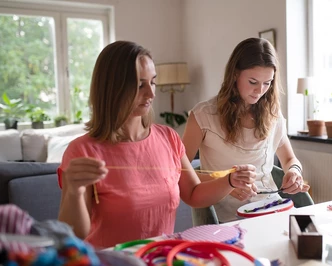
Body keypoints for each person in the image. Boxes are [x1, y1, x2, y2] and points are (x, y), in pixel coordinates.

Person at [57, 41, 256, 248]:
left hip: (159, 258)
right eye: (139, 84)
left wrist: (231, 181)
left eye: (152, 82)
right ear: (112, 87)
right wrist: (75, 191)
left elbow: (194, 195)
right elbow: (73, 235)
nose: (151, 93)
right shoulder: (82, 150)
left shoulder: (168, 138)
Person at [182, 37, 310, 224]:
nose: (260, 91)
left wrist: (294, 172)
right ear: (235, 74)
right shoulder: (203, 115)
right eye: (253, 82)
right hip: (226, 218)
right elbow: (179, 171)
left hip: (272, 208)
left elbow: (290, 159)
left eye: (267, 83)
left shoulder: (272, 113)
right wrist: (226, 184)